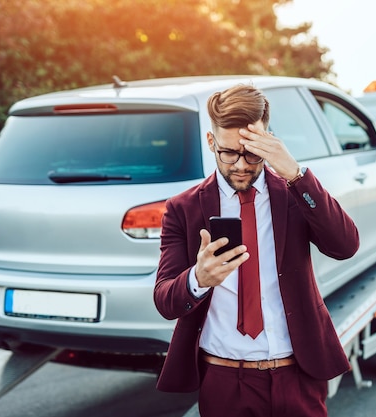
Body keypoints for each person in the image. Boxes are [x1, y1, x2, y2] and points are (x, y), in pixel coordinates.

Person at [153, 83, 360, 417]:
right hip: (224, 383)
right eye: (229, 152)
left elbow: (346, 245)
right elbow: (165, 299)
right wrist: (198, 278)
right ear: (211, 143)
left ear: (269, 141)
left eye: (252, 152)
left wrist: (295, 172)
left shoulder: (294, 194)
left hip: (297, 376)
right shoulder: (183, 209)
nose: (240, 165)